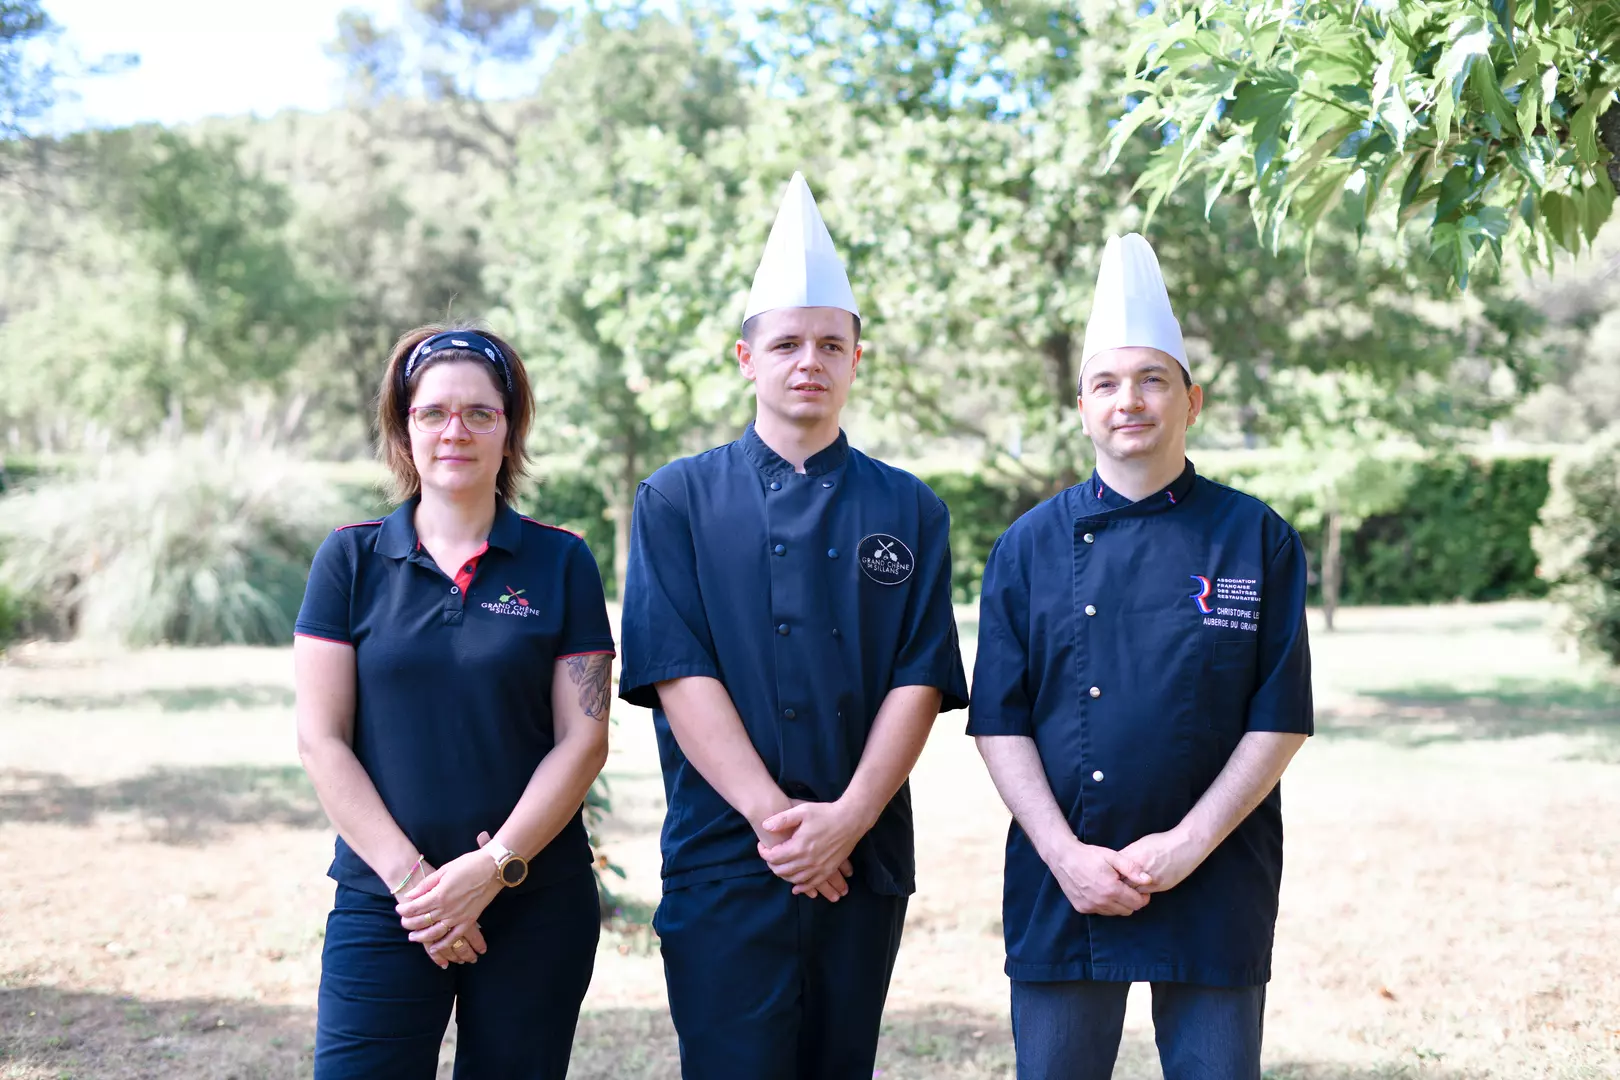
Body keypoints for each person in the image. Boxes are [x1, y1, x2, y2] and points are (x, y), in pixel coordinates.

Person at [617, 172, 969, 1079]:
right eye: (786, 343)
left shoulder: (912, 507)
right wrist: (783, 826)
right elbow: (677, 670)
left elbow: (920, 677)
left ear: (857, 358)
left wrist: (846, 821)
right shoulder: (677, 499)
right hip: (726, 854)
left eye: (829, 344)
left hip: (864, 856)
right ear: (747, 358)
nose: (808, 360)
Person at [968, 234, 1314, 1079]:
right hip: (1064, 877)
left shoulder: (1255, 538)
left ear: (1191, 401)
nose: (1130, 400)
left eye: (1152, 380)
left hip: (1217, 872)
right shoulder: (1026, 546)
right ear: (1083, 407)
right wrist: (1067, 857)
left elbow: (1279, 717)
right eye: (1107, 384)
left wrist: (1187, 846)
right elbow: (999, 722)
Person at [294, 325, 615, 1079]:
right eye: (433, 412)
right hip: (386, 902)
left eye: (479, 412)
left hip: (536, 900)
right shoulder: (349, 559)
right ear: (404, 429)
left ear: (510, 428)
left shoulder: (562, 561)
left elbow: (584, 740)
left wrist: (492, 869)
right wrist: (420, 889)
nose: (455, 431)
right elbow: (320, 739)